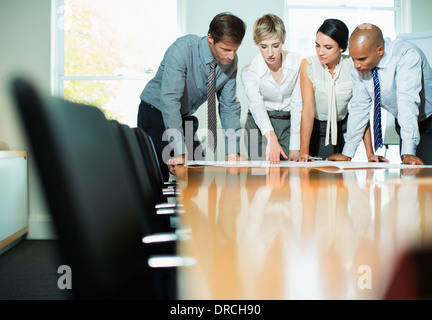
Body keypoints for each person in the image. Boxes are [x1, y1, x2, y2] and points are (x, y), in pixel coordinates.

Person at [137, 12, 248, 180]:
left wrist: (233, 152)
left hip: (182, 117)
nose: (231, 56)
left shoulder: (230, 62)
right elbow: (170, 100)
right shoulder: (182, 50)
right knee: (158, 176)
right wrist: (180, 151)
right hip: (155, 112)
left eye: (235, 50)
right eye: (225, 49)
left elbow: (229, 107)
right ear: (210, 38)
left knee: (197, 171)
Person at [328, 23, 432, 165]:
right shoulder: (359, 65)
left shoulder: (406, 55)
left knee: (425, 174)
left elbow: (407, 101)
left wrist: (407, 152)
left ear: (380, 50)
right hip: (403, 121)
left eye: (362, 59)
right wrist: (348, 153)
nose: (356, 65)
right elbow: (360, 106)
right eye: (353, 58)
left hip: (428, 119)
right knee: (410, 174)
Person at [298, 19, 380, 162]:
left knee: (340, 180)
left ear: (342, 47)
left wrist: (370, 154)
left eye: (328, 47)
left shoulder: (353, 65)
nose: (320, 52)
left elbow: (360, 110)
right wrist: (303, 152)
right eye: (317, 45)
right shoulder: (308, 65)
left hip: (342, 130)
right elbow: (308, 109)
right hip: (315, 131)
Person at [241, 14, 302, 164]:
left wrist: (295, 145)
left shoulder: (298, 63)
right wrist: (270, 135)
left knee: (290, 175)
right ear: (256, 43)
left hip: (289, 123)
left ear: (283, 41)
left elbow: (297, 104)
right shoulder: (249, 71)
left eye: (275, 45)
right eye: (264, 46)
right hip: (258, 123)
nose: (270, 53)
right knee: (260, 177)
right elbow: (256, 105)